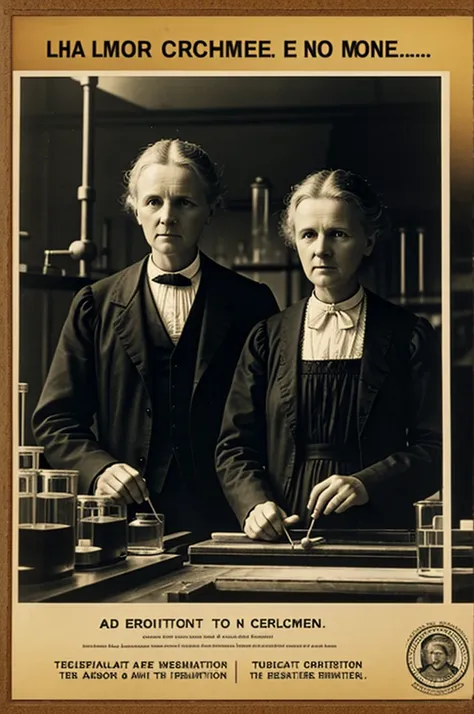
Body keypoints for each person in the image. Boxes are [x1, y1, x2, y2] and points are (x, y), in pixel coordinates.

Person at [32, 138, 279, 539]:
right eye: (153, 203)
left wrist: (254, 501)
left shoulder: (251, 303)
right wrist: (101, 470)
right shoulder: (95, 304)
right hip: (123, 519)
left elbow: (274, 423)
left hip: (226, 519)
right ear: (135, 209)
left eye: (184, 203)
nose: (167, 217)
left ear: (210, 210)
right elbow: (55, 419)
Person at [216, 169, 442, 541]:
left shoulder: (408, 335)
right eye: (308, 235)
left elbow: (436, 447)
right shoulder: (266, 338)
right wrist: (254, 505)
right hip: (285, 534)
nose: (321, 249)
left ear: (368, 241)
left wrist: (367, 483)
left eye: (338, 234)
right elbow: (234, 446)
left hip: (379, 531)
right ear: (296, 242)